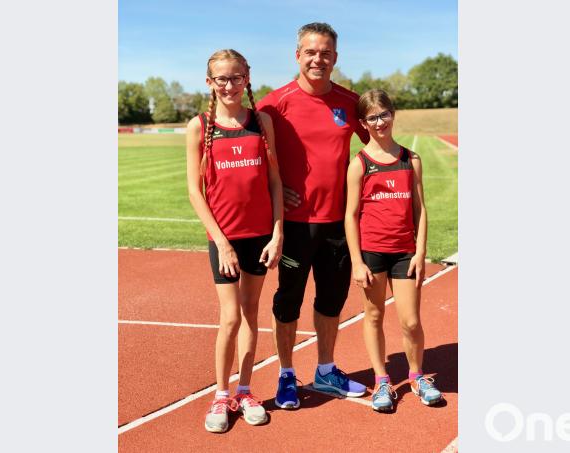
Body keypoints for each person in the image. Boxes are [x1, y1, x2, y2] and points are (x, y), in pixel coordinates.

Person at [256, 22, 370, 409]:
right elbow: (249, 156)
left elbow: (376, 150)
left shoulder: (351, 102)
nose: (318, 59)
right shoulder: (274, 103)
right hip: (294, 225)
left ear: (335, 58)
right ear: (298, 55)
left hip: (338, 224)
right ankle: (287, 374)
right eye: (311, 51)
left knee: (331, 299)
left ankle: (325, 370)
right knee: (288, 300)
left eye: (325, 53)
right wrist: (273, 189)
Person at [185, 49, 284, 432]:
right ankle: (221, 396)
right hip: (224, 238)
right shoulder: (200, 126)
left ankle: (245, 390)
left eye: (236, 77)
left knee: (250, 313)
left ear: (247, 79)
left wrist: (278, 233)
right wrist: (221, 242)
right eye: (221, 79)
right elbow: (195, 191)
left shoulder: (261, 122)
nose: (229, 85)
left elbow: (275, 182)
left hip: (260, 237)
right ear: (209, 82)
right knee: (229, 318)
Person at [343, 89, 443, 412]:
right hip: (372, 255)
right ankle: (382, 380)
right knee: (373, 315)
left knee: (411, 321)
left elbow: (421, 209)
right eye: (372, 117)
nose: (379, 121)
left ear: (392, 114)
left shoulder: (410, 159)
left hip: (404, 253)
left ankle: (417, 376)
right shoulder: (359, 164)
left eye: (384, 114)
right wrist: (357, 262)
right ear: (363, 122)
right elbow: (351, 215)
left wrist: (420, 252)